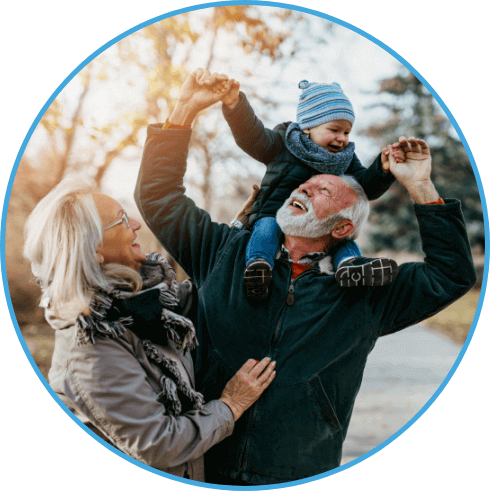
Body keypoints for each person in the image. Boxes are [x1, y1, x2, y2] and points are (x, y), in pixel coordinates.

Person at [134, 68, 477, 485]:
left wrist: (421, 186)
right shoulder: (223, 253)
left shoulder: (366, 293)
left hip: (299, 473)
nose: (303, 188)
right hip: (201, 464)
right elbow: (158, 196)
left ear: (342, 228)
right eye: (306, 183)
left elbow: (451, 275)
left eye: (323, 190)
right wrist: (184, 108)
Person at [23, 179, 276, 482]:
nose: (135, 224)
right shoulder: (91, 349)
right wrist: (230, 405)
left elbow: (200, 297)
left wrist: (236, 232)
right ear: (93, 251)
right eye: (121, 220)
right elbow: (158, 445)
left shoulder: (137, 302)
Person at [209, 75, 398, 302]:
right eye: (335, 129)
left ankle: (350, 268)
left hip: (317, 227)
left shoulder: (345, 159)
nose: (342, 139)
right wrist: (235, 104)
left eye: (347, 132)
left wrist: (383, 170)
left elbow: (365, 187)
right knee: (266, 229)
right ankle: (259, 268)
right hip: (273, 214)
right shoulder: (283, 143)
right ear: (308, 126)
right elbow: (252, 136)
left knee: (343, 242)